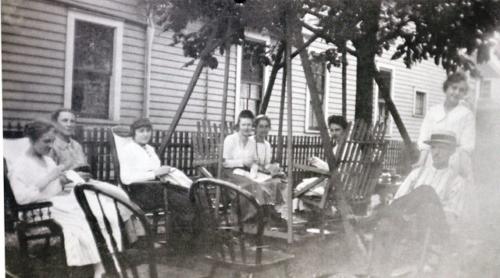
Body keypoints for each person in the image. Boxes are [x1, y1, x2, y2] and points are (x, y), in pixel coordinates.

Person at [8, 121, 126, 278]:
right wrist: (50, 177)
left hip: (54, 203)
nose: (51, 145)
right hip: (36, 210)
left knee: (98, 209)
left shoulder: (47, 160)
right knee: (84, 216)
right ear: (31, 140)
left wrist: (65, 179)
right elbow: (22, 199)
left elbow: (55, 188)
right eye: (46, 141)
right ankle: (93, 267)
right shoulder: (20, 165)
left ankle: (104, 264)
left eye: (52, 141)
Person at [362, 131, 466, 276]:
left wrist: (424, 207)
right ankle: (377, 273)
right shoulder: (417, 173)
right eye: (434, 148)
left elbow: (452, 215)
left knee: (426, 191)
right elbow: (400, 198)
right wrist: (405, 213)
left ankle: (374, 216)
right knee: (385, 224)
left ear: (451, 152)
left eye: (442, 148)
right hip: (406, 220)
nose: (437, 152)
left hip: (433, 224)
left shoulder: (457, 181)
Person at [118, 118, 195, 250]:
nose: (145, 134)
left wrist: (163, 172)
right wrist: (154, 174)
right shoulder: (128, 150)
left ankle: (182, 241)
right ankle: (182, 244)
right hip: (140, 192)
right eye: (141, 131)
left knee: (190, 196)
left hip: (156, 188)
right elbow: (126, 178)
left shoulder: (150, 149)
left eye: (148, 131)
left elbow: (155, 169)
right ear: (134, 133)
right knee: (182, 202)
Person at [222, 110, 285, 222]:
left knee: (263, 181)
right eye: (244, 125)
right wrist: (242, 162)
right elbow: (225, 162)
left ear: (252, 127)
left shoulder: (251, 143)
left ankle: (266, 211)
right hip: (229, 173)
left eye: (249, 125)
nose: (246, 128)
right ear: (239, 125)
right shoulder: (230, 139)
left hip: (244, 172)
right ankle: (246, 217)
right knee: (250, 184)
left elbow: (252, 163)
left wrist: (255, 171)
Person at [416, 72, 475, 183]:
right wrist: (421, 162)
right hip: (433, 161)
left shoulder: (466, 115)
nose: (457, 92)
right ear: (446, 88)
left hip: (456, 163)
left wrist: (464, 172)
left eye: (461, 90)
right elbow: (424, 139)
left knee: (452, 193)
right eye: (454, 88)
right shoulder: (433, 112)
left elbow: (466, 146)